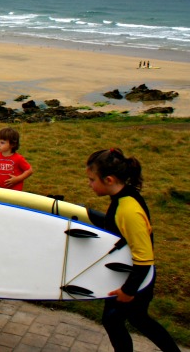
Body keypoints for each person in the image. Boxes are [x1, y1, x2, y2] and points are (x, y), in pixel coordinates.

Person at [85, 148, 179, 352]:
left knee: (115, 320)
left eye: (92, 180)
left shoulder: (128, 210)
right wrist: (84, 215)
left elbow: (144, 258)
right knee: (134, 319)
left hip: (137, 279)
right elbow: (115, 226)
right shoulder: (124, 196)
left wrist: (128, 291)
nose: (89, 184)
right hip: (128, 274)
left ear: (108, 179)